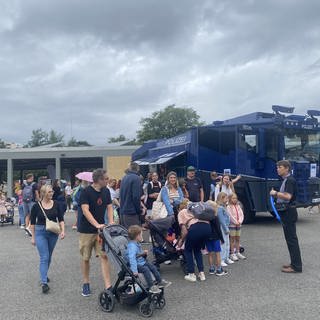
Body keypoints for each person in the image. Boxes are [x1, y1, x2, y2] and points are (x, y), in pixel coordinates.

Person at [79, 168, 114, 297]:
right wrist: (96, 224)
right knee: (86, 258)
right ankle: (86, 282)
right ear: (99, 180)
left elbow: (109, 207)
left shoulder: (106, 191)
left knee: (104, 256)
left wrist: (110, 222)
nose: (108, 180)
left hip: (101, 230)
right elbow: (85, 210)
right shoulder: (86, 192)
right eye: (106, 178)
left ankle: (108, 285)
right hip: (86, 230)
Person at [30, 185, 65, 294]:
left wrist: (63, 230)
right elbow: (32, 223)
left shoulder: (56, 204)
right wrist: (33, 237)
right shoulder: (36, 206)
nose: (52, 193)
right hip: (40, 232)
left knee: (49, 256)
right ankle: (44, 282)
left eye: (52, 191)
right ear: (44, 193)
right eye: (50, 192)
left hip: (53, 232)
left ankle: (44, 274)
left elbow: (61, 219)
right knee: (44, 257)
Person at [270, 160, 302, 273]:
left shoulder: (290, 181)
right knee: (290, 239)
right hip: (287, 213)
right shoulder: (286, 180)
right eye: (277, 167)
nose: (277, 169)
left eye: (280, 167)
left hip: (289, 213)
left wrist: (275, 194)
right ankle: (294, 263)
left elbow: (288, 196)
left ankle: (296, 266)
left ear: (287, 168)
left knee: (292, 240)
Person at [126, 225, 171, 293]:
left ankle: (160, 281)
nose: (142, 237)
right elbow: (132, 258)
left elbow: (137, 254)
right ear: (137, 236)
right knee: (146, 269)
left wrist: (143, 252)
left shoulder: (136, 243)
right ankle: (151, 286)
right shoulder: (132, 246)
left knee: (152, 266)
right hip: (135, 264)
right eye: (141, 235)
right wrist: (134, 270)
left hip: (140, 261)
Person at [178, 199, 212, 282]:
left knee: (188, 250)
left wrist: (181, 240)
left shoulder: (181, 212)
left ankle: (191, 274)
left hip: (195, 229)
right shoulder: (196, 210)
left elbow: (184, 229)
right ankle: (201, 273)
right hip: (207, 228)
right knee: (197, 250)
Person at [205, 200, 228, 276]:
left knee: (210, 253)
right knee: (217, 253)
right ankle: (219, 269)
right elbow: (218, 229)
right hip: (215, 237)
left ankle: (211, 268)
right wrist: (221, 238)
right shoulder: (215, 217)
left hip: (208, 237)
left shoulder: (205, 217)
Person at [119, 162, 142, 229]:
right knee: (135, 236)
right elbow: (136, 197)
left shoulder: (124, 178)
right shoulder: (136, 178)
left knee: (127, 236)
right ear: (138, 169)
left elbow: (121, 195)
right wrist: (138, 210)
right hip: (131, 213)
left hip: (123, 212)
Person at [227, 193, 246, 261]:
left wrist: (240, 221)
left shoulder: (238, 206)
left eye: (236, 198)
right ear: (230, 199)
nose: (235, 200)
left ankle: (237, 252)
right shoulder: (228, 207)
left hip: (239, 225)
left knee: (238, 238)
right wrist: (235, 222)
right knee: (232, 239)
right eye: (233, 198)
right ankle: (232, 253)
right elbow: (230, 216)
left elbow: (241, 214)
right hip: (232, 225)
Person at [216, 192, 233, 266]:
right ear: (222, 198)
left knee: (227, 242)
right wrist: (226, 229)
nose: (227, 199)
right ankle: (222, 259)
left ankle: (226, 257)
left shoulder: (224, 206)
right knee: (223, 243)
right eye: (226, 198)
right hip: (222, 227)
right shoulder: (219, 208)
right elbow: (221, 220)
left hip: (226, 226)